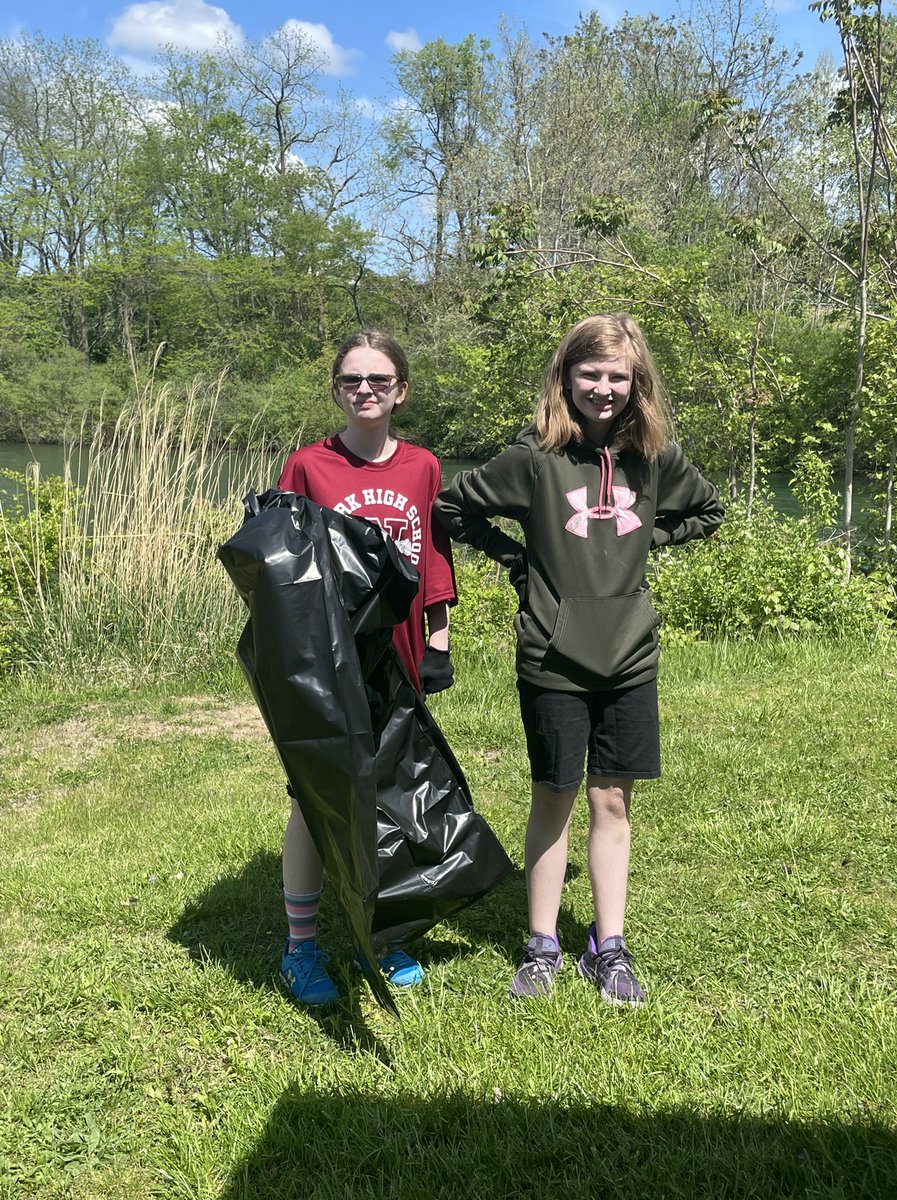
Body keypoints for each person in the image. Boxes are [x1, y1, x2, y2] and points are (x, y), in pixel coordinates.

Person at [435, 314, 724, 1006]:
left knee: (612, 799)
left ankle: (609, 946)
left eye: (617, 376)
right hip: (552, 656)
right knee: (555, 797)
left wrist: (641, 542)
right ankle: (542, 946)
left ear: (637, 383)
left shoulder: (654, 459)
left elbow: (708, 511)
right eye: (589, 373)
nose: (603, 387)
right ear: (565, 378)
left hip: (629, 655)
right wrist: (515, 558)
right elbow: (451, 505)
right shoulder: (535, 456)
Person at [275, 330, 457, 1005]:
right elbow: (282, 571)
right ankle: (300, 947)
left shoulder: (423, 467)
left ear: (401, 390)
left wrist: (440, 639)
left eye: (379, 380)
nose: (365, 391)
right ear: (337, 389)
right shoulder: (306, 467)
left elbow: (434, 558)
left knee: (390, 788)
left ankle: (383, 928)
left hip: (400, 657)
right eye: (352, 380)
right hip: (327, 661)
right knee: (313, 798)